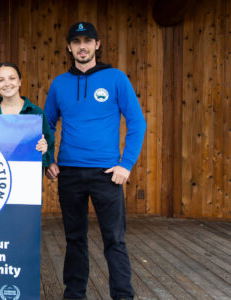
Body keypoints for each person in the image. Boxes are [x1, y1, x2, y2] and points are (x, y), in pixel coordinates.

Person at [43, 22, 146, 300]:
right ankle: (74, 295)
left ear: (97, 45)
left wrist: (126, 164)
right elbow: (47, 124)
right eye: (76, 42)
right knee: (74, 238)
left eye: (87, 41)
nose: (82, 46)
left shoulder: (116, 78)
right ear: (69, 47)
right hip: (70, 173)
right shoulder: (59, 83)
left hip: (107, 173)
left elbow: (137, 122)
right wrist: (48, 159)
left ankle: (123, 296)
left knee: (114, 239)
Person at [0, 62, 54, 165]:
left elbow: (48, 150)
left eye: (12, 78)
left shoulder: (35, 113)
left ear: (19, 81)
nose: (7, 84)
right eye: (1, 80)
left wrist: (44, 150)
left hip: (26, 175)